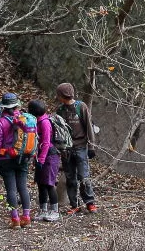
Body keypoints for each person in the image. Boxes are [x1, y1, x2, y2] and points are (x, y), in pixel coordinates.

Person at [0, 92, 34, 228]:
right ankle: (26, 217)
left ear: (3, 107)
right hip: (23, 157)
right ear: (17, 105)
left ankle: (15, 219)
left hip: (6, 158)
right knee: (23, 187)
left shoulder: (1, 122)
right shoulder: (25, 119)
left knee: (11, 189)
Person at [55, 82, 97, 214]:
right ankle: (75, 205)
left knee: (84, 177)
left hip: (80, 147)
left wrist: (91, 146)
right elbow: (58, 130)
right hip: (66, 149)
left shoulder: (81, 107)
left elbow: (89, 127)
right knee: (70, 177)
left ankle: (89, 202)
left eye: (59, 95)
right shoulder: (60, 110)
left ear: (62, 95)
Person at [28, 99, 61, 222]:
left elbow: (46, 143)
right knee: (41, 184)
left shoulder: (45, 123)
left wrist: (41, 160)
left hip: (50, 156)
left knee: (49, 183)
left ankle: (55, 211)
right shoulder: (37, 121)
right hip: (41, 156)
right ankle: (43, 210)